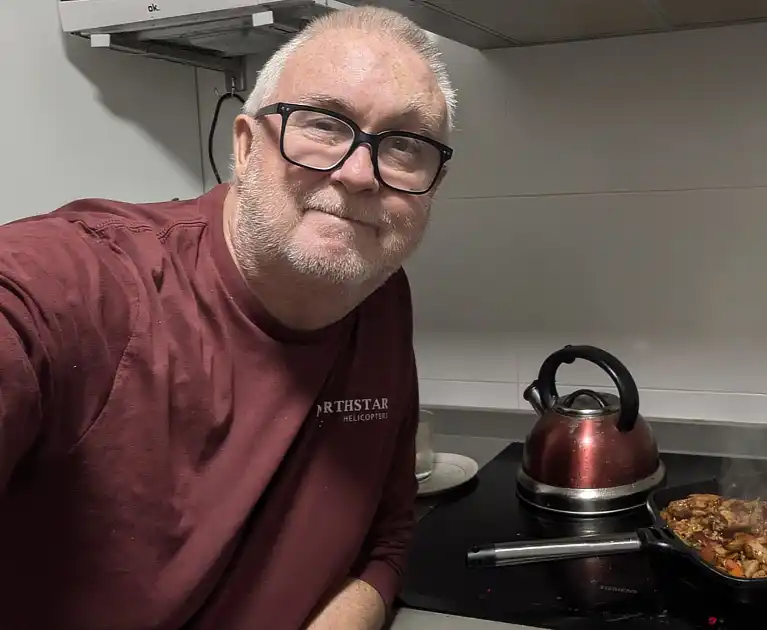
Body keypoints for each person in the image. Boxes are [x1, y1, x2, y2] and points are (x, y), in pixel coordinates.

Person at [0, 6, 455, 630]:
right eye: (323, 124)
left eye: (404, 144)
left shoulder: (376, 289)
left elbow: (386, 537)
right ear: (244, 146)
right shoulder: (76, 285)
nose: (357, 174)